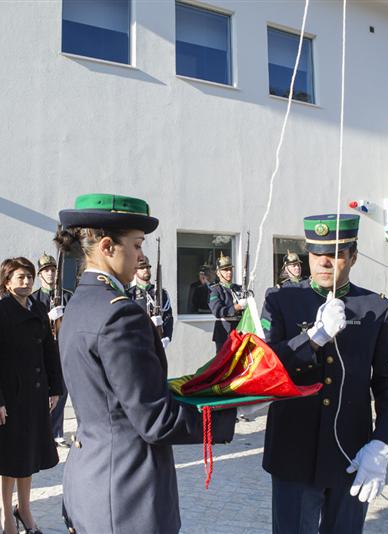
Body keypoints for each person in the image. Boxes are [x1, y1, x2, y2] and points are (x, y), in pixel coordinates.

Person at [55, 193, 236, 534]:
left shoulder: (80, 302)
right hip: (128, 492)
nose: (141, 255)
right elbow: (154, 419)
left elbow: (122, 394)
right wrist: (230, 410)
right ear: (107, 246)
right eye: (136, 245)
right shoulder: (120, 313)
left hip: (91, 479)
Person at [260, 214, 388, 534]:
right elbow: (266, 368)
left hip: (352, 456)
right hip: (293, 455)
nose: (324, 262)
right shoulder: (281, 300)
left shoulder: (375, 308)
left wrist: (382, 444)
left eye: (336, 254)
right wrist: (311, 339)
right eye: (316, 254)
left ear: (353, 256)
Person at [0, 257, 63, 534]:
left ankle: (24, 509)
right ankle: (6, 515)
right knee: (9, 457)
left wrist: (55, 388)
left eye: (29, 277)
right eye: (20, 277)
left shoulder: (39, 308)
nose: (26, 282)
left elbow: (49, 351)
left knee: (27, 456)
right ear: (6, 282)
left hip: (34, 395)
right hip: (8, 398)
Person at [30, 252, 73, 448]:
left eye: (53, 270)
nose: (50, 274)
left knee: (61, 392)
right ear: (40, 275)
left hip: (62, 350)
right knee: (41, 393)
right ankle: (41, 431)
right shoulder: (33, 299)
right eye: (46, 270)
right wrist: (49, 318)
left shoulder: (68, 296)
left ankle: (57, 432)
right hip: (41, 351)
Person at [127, 255, 174, 349]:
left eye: (148, 267)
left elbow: (168, 316)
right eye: (142, 268)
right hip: (138, 342)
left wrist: (167, 337)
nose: (146, 270)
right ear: (135, 271)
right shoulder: (130, 294)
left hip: (157, 342)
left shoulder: (161, 292)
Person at [209, 253, 246, 353]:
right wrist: (236, 308)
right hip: (224, 332)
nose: (229, 272)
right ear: (218, 273)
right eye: (225, 270)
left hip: (240, 331)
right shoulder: (215, 290)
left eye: (230, 269)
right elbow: (218, 311)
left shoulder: (238, 288)